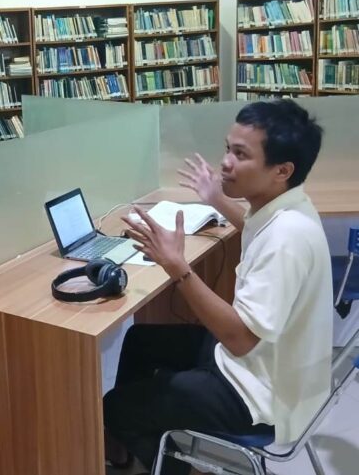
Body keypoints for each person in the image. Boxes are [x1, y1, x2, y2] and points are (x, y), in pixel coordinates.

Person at [103, 100, 332, 474]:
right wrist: (216, 200)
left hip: (258, 395)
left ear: (282, 170)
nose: (225, 162)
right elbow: (256, 229)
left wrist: (177, 267)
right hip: (265, 364)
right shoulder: (288, 207)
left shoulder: (287, 239)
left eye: (240, 154)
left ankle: (166, 459)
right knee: (141, 340)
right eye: (228, 148)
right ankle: (141, 440)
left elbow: (240, 340)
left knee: (114, 407)